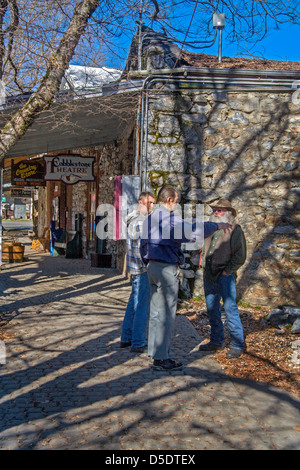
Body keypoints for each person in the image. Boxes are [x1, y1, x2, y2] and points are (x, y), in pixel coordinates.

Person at [140, 186, 231, 371]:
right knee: (165, 314)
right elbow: (191, 232)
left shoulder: (149, 219)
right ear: (170, 200)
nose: (177, 204)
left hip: (151, 267)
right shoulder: (169, 219)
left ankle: (154, 352)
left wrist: (148, 263)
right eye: (177, 200)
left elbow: (142, 245)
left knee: (156, 313)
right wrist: (216, 225)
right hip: (165, 268)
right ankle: (162, 358)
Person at [199, 198, 247, 359]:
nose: (216, 212)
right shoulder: (210, 228)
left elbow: (240, 256)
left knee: (230, 309)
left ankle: (237, 344)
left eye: (220, 210)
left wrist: (228, 271)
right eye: (214, 210)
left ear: (229, 212)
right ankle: (216, 341)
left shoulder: (235, 230)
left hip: (225, 276)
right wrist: (202, 261)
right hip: (209, 275)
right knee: (212, 309)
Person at [120, 191, 155, 353]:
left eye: (154, 203)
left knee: (133, 304)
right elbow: (146, 249)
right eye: (150, 203)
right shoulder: (142, 222)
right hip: (142, 269)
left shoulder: (133, 219)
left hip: (134, 268)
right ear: (141, 202)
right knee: (142, 306)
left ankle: (126, 337)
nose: (152, 206)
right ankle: (138, 341)